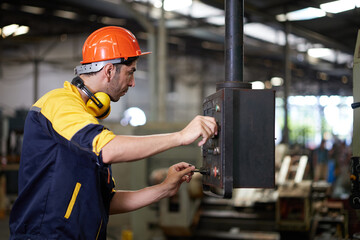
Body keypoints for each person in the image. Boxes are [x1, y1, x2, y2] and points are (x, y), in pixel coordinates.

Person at [9, 26, 217, 239]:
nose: (133, 82)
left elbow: (105, 201)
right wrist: (180, 136)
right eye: (131, 72)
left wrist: (164, 189)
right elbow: (108, 149)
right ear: (109, 70)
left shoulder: (85, 123)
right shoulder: (59, 103)